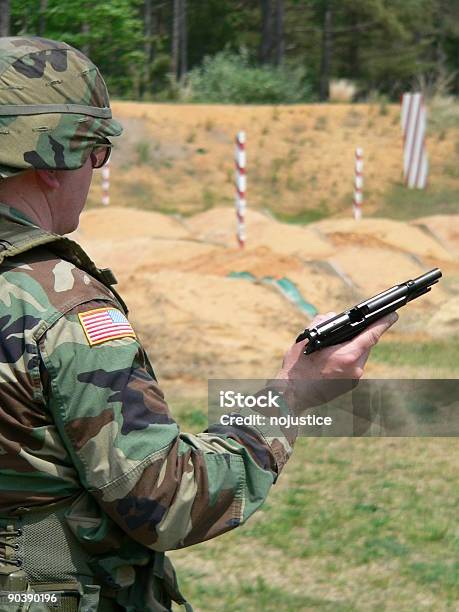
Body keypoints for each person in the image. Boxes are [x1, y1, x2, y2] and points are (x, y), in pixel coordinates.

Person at [0, 37, 398, 611]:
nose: (95, 168)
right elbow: (166, 500)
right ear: (53, 155)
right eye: (96, 153)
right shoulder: (62, 310)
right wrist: (292, 395)